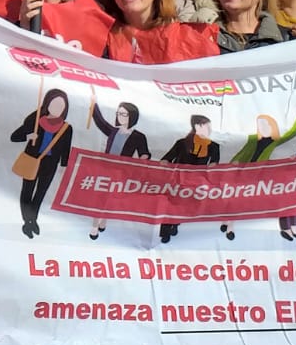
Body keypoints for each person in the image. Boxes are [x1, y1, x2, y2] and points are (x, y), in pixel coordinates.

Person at [8, 89, 72, 239]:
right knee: (27, 192)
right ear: (47, 103)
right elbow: (14, 137)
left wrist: (64, 166)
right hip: (31, 160)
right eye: (54, 104)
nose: (57, 108)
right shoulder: (36, 120)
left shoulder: (66, 128)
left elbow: (65, 149)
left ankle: (33, 219)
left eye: (61, 106)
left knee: (40, 193)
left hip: (50, 165)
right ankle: (26, 221)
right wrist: (29, 135)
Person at [85, 96, 148, 240]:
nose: (120, 117)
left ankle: (103, 221)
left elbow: (144, 153)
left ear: (131, 116)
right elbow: (100, 122)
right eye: (118, 113)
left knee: (109, 199)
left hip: (121, 173)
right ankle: (95, 226)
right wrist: (94, 105)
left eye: (123, 114)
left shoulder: (138, 136)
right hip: (106, 169)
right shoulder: (113, 131)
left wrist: (142, 162)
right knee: (100, 198)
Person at [158, 115, 220, 243]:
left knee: (183, 205)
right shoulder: (182, 143)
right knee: (170, 205)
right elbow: (167, 158)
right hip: (177, 180)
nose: (209, 129)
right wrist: (164, 166)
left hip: (195, 182)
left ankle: (175, 222)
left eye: (209, 126)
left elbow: (214, 163)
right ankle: (165, 232)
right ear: (196, 126)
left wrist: (211, 171)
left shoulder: (214, 146)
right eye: (206, 126)